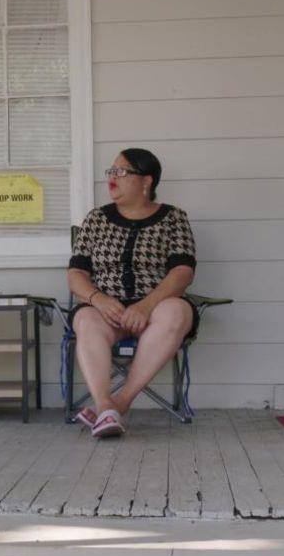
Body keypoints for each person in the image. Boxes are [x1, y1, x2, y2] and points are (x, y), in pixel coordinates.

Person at [67, 148, 198, 438]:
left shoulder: (173, 218)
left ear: (146, 181)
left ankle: (118, 405)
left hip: (156, 308)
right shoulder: (96, 220)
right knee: (86, 321)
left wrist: (146, 306)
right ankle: (104, 404)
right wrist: (98, 299)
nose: (111, 178)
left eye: (121, 172)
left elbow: (183, 272)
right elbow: (76, 274)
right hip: (105, 309)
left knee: (177, 311)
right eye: (110, 172)